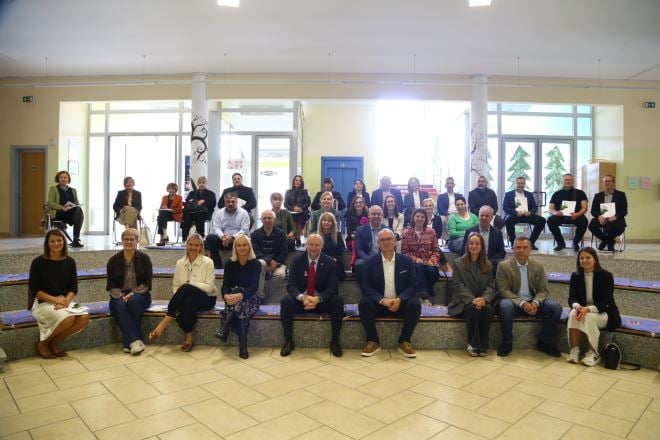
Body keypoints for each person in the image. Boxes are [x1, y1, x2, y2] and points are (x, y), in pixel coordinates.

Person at [149, 234, 218, 352]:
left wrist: (190, 284)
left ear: (201, 247)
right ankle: (189, 337)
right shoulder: (180, 263)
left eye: (196, 245)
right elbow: (176, 285)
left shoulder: (208, 262)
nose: (193, 247)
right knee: (187, 301)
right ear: (186, 246)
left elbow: (209, 287)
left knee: (186, 287)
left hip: (206, 299)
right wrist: (181, 295)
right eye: (190, 244)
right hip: (188, 299)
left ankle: (164, 322)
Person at [359, 228, 421, 358]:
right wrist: (382, 300)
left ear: (395, 241)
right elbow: (366, 287)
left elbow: (414, 285)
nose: (386, 242)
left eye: (389, 239)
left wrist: (400, 299)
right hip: (379, 304)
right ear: (378, 243)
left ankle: (405, 341)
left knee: (415, 304)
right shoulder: (369, 262)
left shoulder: (407, 261)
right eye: (382, 240)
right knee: (364, 303)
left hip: (400, 304)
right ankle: (373, 341)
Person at [495, 236, 562, 357]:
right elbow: (503, 290)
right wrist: (522, 303)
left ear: (530, 249)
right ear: (513, 249)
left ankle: (544, 342)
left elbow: (543, 290)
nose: (521, 250)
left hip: (533, 302)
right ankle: (507, 343)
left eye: (525, 247)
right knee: (504, 305)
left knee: (556, 307)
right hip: (514, 303)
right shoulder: (503, 266)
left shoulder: (538, 266)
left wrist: (535, 302)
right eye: (518, 247)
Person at [29, 229, 90, 358]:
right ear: (47, 243)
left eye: (59, 240)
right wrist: (56, 300)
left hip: (64, 301)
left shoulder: (70, 262)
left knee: (84, 317)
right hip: (43, 302)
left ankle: (54, 342)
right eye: (52, 241)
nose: (56, 243)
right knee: (68, 319)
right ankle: (43, 344)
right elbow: (35, 291)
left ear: (64, 242)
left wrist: (66, 301)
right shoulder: (38, 262)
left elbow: (73, 288)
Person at [280, 234, 344, 357]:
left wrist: (317, 299)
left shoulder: (330, 262)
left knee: (338, 301)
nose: (314, 248)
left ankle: (335, 341)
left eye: (317, 245)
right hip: (302, 301)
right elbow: (291, 285)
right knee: (286, 301)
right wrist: (302, 297)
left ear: (322, 246)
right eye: (311, 245)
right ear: (306, 245)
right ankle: (288, 340)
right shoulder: (297, 260)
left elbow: (332, 287)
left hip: (320, 301)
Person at [566, 247, 621, 366]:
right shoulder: (575, 276)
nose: (584, 260)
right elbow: (572, 298)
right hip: (583, 310)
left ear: (595, 259)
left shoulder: (606, 276)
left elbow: (607, 301)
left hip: (604, 312)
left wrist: (588, 309)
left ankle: (593, 353)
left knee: (589, 317)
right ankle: (575, 350)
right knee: (573, 313)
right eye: (581, 258)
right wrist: (577, 307)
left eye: (588, 257)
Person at [217, 234, 264, 359]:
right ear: (235, 248)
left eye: (244, 245)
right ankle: (243, 345)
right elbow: (226, 284)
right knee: (240, 306)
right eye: (239, 245)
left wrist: (241, 295)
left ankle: (225, 327)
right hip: (233, 298)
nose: (242, 248)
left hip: (251, 298)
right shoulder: (229, 263)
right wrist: (225, 295)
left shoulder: (256, 264)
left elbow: (253, 287)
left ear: (249, 247)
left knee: (240, 303)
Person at [448, 232, 496, 357]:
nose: (474, 246)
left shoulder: (488, 264)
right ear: (467, 245)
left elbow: (491, 286)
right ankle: (473, 344)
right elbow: (457, 285)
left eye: (477, 244)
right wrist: (472, 299)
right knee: (473, 309)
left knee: (488, 310)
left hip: (482, 300)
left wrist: (484, 299)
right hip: (463, 301)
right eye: (471, 243)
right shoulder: (458, 263)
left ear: (481, 246)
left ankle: (484, 344)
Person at [107, 228, 152, 355]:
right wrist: (122, 296)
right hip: (118, 295)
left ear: (137, 241)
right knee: (119, 305)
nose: (129, 242)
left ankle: (128, 342)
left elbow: (147, 282)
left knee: (133, 301)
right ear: (122, 241)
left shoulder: (144, 259)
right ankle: (135, 341)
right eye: (126, 239)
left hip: (141, 294)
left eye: (132, 239)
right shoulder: (113, 260)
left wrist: (132, 293)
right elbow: (111, 284)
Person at [401, 208, 450, 304]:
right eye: (417, 216)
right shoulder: (406, 233)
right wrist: (416, 259)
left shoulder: (431, 232)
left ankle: (422, 296)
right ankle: (426, 296)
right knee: (418, 267)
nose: (420, 219)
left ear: (425, 219)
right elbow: (405, 253)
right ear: (413, 218)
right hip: (414, 264)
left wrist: (432, 260)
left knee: (431, 271)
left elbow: (436, 250)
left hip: (429, 263)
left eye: (422, 217)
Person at [205, 192, 250, 269]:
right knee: (210, 238)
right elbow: (216, 228)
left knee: (244, 238)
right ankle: (217, 264)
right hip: (223, 240)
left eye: (232, 201)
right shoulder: (219, 213)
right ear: (224, 202)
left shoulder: (244, 213)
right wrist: (223, 237)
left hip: (237, 240)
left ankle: (239, 265)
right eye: (228, 202)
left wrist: (232, 237)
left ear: (236, 202)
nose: (230, 204)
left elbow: (244, 229)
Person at [251, 209, 288, 302]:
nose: (267, 220)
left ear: (274, 220)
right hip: (261, 262)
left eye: (269, 218)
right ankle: (260, 296)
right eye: (264, 218)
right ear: (261, 220)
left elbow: (283, 253)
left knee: (280, 275)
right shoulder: (255, 234)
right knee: (261, 264)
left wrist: (275, 264)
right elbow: (255, 252)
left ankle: (273, 299)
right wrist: (268, 261)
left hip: (277, 263)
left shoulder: (281, 234)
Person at [547, 173, 589, 252]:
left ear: (573, 182)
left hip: (576, 215)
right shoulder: (556, 194)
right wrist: (555, 213)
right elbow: (550, 208)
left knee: (584, 221)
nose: (568, 181)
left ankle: (575, 243)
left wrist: (577, 214)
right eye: (566, 180)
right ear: (562, 181)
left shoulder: (580, 193)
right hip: (560, 216)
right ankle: (560, 243)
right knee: (550, 220)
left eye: (570, 180)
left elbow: (585, 207)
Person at [502, 176, 546, 250]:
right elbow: (505, 207)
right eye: (518, 183)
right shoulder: (508, 194)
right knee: (508, 220)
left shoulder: (529, 194)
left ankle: (531, 242)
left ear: (524, 184)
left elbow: (534, 207)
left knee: (542, 220)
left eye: (522, 183)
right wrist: (516, 213)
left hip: (526, 215)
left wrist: (530, 212)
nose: (520, 185)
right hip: (514, 215)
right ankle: (513, 242)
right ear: (515, 184)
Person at [588, 175, 628, 252]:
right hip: (602, 218)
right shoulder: (597, 196)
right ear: (603, 183)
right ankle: (609, 241)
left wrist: (616, 216)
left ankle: (605, 241)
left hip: (616, 218)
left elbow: (624, 210)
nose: (607, 183)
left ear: (613, 182)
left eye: (609, 181)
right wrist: (599, 216)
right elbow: (593, 210)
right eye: (605, 181)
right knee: (592, 226)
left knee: (620, 227)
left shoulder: (621, 195)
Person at [47, 170, 84, 247]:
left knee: (79, 210)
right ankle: (76, 240)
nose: (63, 179)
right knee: (79, 214)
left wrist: (75, 205)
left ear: (68, 179)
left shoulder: (73, 190)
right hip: (58, 213)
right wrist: (62, 208)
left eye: (65, 177)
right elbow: (50, 203)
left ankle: (76, 239)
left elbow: (76, 203)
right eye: (61, 177)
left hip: (70, 213)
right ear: (58, 179)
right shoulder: (53, 189)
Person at [353, 205, 387, 281]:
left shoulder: (388, 230)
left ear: (382, 215)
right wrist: (369, 260)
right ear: (369, 215)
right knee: (359, 264)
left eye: (378, 214)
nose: (376, 216)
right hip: (366, 257)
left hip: (382, 257)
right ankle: (364, 286)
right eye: (373, 214)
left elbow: (390, 249)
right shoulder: (360, 230)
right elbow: (359, 250)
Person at [181, 176, 216, 241]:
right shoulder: (192, 193)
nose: (201, 184)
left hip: (205, 213)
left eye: (203, 183)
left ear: (206, 184)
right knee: (186, 216)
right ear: (197, 184)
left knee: (198, 215)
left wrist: (204, 201)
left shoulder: (211, 193)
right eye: (200, 183)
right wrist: (192, 201)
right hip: (192, 212)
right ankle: (184, 238)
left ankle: (201, 237)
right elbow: (187, 202)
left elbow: (213, 204)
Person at [318, 212, 346, 281]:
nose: (326, 222)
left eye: (329, 221)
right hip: (320, 263)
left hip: (334, 263)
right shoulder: (316, 236)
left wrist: (334, 259)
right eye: (324, 220)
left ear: (333, 223)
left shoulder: (338, 235)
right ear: (321, 222)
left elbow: (341, 251)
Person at [284, 175, 311, 247]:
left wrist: (300, 208)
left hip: (302, 211)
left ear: (301, 182)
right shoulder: (288, 192)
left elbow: (308, 203)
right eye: (296, 180)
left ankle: (298, 238)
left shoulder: (305, 191)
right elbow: (285, 204)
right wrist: (293, 208)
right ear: (293, 181)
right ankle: (293, 238)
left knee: (301, 216)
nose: (297, 182)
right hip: (291, 211)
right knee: (291, 217)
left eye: (299, 181)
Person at [436, 177, 463, 241]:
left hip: (458, 214)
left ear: (454, 185)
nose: (449, 185)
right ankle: (446, 239)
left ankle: (460, 236)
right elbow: (440, 208)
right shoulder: (441, 196)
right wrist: (447, 214)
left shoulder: (459, 196)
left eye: (451, 183)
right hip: (446, 214)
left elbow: (463, 206)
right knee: (442, 219)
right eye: (448, 183)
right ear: (445, 185)